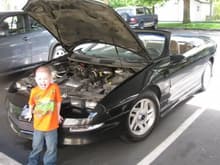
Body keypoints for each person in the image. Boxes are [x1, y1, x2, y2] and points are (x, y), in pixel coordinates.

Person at [26, 66, 62, 165]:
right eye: (40, 79)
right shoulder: (34, 91)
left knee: (51, 148)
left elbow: (58, 102)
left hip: (52, 126)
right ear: (36, 79)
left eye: (45, 79)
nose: (43, 81)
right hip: (38, 126)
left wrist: (58, 115)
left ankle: (49, 163)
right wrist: (29, 113)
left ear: (50, 79)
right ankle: (32, 162)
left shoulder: (54, 88)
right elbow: (31, 103)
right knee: (36, 146)